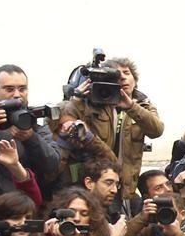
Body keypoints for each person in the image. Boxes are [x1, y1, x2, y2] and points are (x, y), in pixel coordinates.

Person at [63, 57, 164, 200]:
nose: (122, 77)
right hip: (95, 184)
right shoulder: (95, 103)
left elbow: (157, 130)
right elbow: (66, 123)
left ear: (135, 80)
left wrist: (131, 107)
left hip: (125, 186)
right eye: (116, 74)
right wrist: (76, 98)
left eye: (127, 73)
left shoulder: (144, 105)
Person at [0, 65, 60, 196]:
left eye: (22, 89)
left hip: (23, 203)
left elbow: (52, 164)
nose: (17, 95)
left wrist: (30, 138)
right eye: (9, 89)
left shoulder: (33, 121)